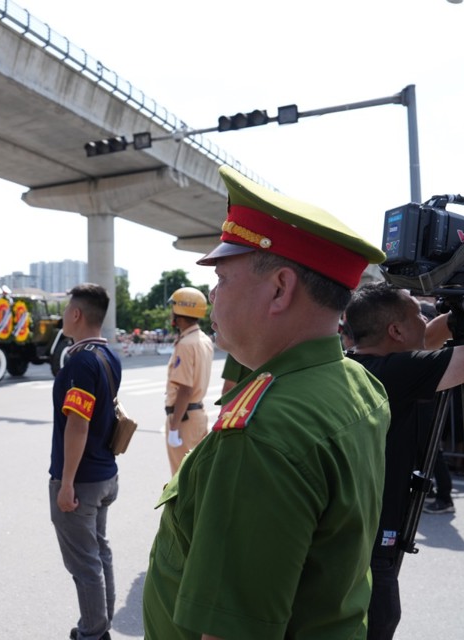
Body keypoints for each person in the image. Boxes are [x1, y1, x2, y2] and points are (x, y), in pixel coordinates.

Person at [142, 165, 390, 640]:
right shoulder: (357, 382)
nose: (213, 297)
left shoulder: (262, 434)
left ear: (279, 289)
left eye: (223, 280)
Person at [344, 282, 464, 639]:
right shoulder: (396, 374)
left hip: (353, 546)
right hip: (370, 557)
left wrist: (460, 314)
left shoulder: (356, 366)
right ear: (395, 331)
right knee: (379, 622)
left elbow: (429, 338)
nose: (426, 317)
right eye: (418, 313)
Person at [49, 283, 121, 640]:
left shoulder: (81, 361)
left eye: (66, 309)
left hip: (82, 481)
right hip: (105, 474)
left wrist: (65, 484)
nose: (64, 315)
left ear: (76, 314)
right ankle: (101, 623)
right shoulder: (109, 355)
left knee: (85, 563)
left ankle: (93, 633)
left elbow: (78, 425)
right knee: (99, 553)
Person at [163, 287, 214, 474]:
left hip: (184, 419)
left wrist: (174, 427)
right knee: (197, 475)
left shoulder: (186, 344)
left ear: (180, 312)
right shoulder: (203, 339)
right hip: (198, 415)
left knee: (181, 479)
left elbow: (185, 389)